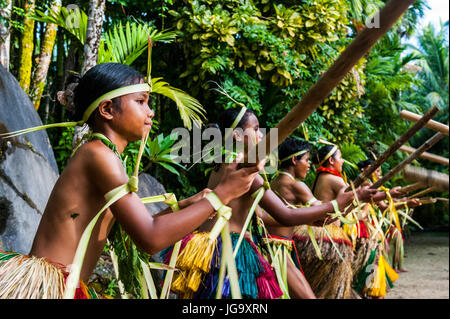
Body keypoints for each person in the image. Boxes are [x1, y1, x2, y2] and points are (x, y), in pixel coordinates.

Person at [0, 63, 263, 299]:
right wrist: (221, 195)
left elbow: (134, 232)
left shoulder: (106, 156)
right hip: (50, 287)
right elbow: (149, 238)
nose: (150, 113)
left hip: (66, 284)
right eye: (141, 101)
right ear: (107, 109)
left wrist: (186, 204)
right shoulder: (99, 155)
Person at [165, 108, 377, 299]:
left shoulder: (220, 167)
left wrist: (313, 218)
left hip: (208, 250)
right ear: (237, 136)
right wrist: (336, 204)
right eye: (256, 129)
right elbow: (285, 215)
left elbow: (260, 215)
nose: (261, 135)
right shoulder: (245, 172)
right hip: (228, 251)